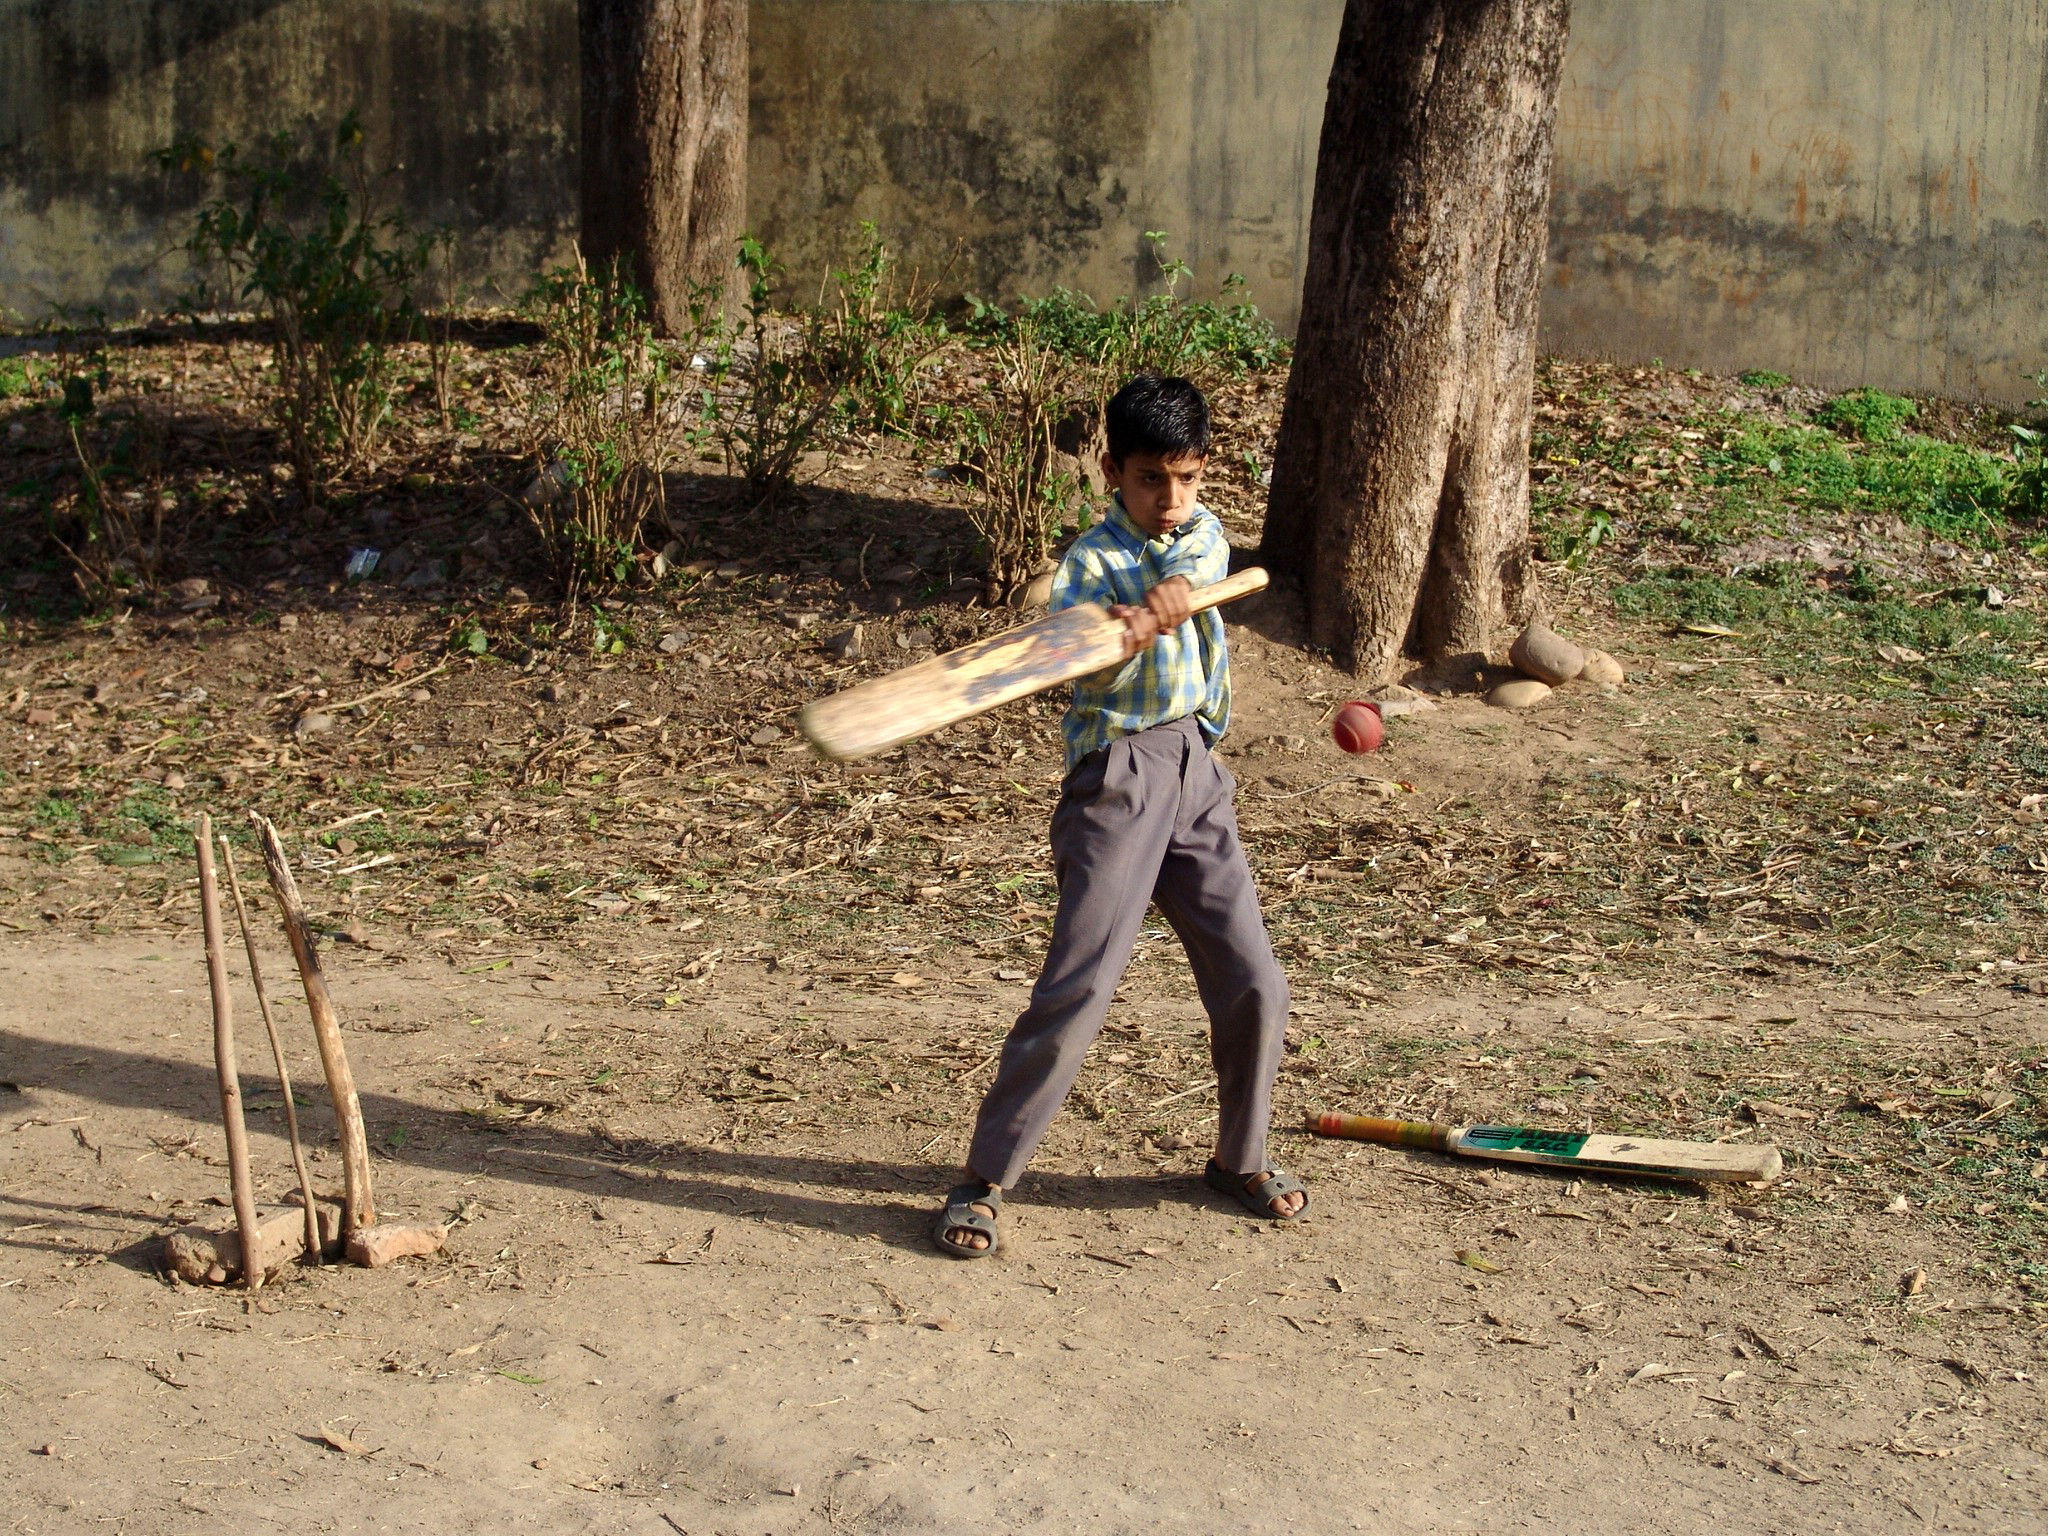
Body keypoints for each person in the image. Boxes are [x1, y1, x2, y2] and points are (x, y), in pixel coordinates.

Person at [932, 373, 1306, 1258]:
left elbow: (1203, 564)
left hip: (1198, 774)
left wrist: (1170, 596)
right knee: (1081, 984)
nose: (1170, 498)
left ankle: (1236, 1158)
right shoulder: (1089, 566)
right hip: (1119, 780)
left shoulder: (1201, 534)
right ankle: (983, 1181)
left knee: (1256, 978)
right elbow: (1068, 666)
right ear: (1112, 471)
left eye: (1185, 476)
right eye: (1149, 479)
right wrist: (1115, 636)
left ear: (1203, 472)